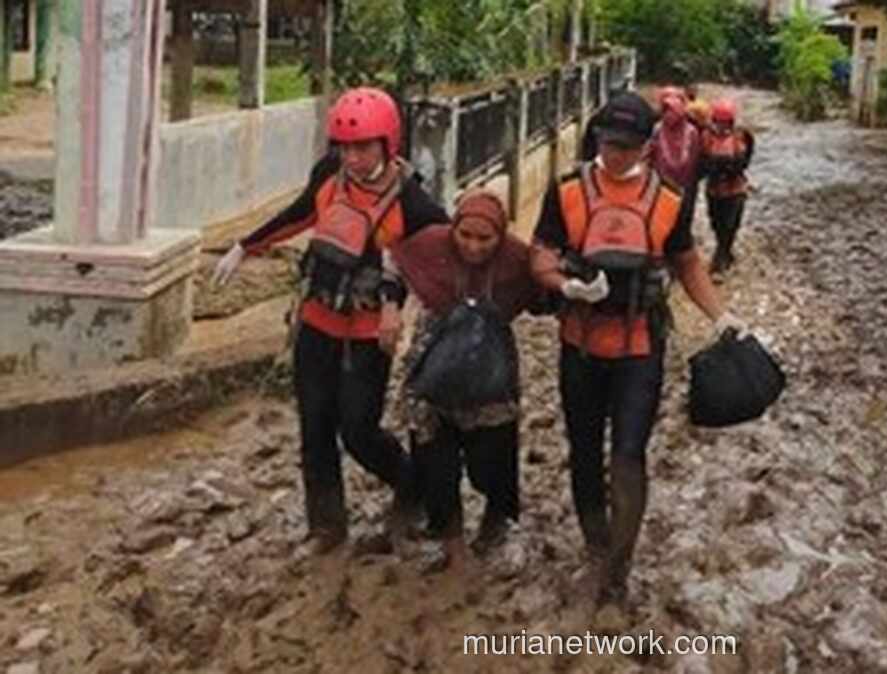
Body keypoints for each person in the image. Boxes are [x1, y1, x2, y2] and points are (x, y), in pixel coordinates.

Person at [529, 92, 751, 605]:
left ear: (646, 144)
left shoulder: (669, 198)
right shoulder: (567, 191)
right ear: (597, 138)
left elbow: (687, 262)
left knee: (629, 454)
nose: (615, 155)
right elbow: (540, 252)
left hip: (640, 346)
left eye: (627, 146)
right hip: (580, 341)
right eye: (608, 144)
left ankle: (618, 566)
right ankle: (594, 539)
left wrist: (722, 317)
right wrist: (563, 285)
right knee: (584, 448)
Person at [210, 87, 450, 552]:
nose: (353, 157)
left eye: (363, 147)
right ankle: (325, 526)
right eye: (345, 147)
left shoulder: (413, 203)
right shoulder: (328, 177)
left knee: (358, 429)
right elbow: (298, 215)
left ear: (388, 144)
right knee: (315, 427)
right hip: (317, 320)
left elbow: (426, 261)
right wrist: (245, 246)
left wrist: (394, 303)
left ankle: (410, 483)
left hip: (366, 333)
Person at [392, 189, 546, 575]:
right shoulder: (427, 248)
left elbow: (544, 296)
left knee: (492, 453)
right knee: (433, 453)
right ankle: (453, 545)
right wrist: (388, 309)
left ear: (500, 238)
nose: (473, 247)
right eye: (465, 235)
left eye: (484, 239)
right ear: (452, 229)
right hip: (433, 359)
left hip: (490, 364)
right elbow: (394, 268)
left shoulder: (518, 261)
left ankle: (497, 520)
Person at [699, 98, 756, 273]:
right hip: (714, 189)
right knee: (715, 223)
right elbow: (701, 160)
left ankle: (721, 258)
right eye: (719, 122)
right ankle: (724, 251)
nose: (722, 126)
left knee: (730, 225)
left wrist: (732, 165)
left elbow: (746, 160)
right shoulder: (706, 136)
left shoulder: (740, 136)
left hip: (735, 190)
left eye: (726, 123)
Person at [649, 86, 703, 234]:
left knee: (683, 222)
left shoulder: (692, 132)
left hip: (686, 186)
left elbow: (697, 160)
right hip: (661, 185)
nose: (669, 114)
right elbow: (648, 156)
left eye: (672, 109)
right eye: (665, 109)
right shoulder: (656, 130)